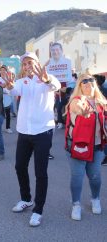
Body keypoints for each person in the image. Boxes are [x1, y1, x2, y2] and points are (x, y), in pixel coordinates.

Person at [5, 52, 61, 227]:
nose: (28, 66)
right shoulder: (22, 82)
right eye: (25, 63)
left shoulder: (48, 79)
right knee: (20, 166)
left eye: (30, 62)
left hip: (43, 131)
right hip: (24, 131)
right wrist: (10, 86)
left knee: (40, 172)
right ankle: (26, 199)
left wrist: (46, 79)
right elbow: (14, 90)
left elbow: (56, 86)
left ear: (37, 64)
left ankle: (38, 210)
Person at [65, 74, 106, 221]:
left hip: (97, 146)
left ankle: (95, 199)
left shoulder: (101, 102)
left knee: (95, 177)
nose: (88, 84)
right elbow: (78, 108)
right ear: (80, 86)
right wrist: (83, 111)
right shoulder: (76, 100)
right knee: (77, 177)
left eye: (91, 81)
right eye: (84, 82)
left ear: (95, 84)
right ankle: (76, 204)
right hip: (78, 146)